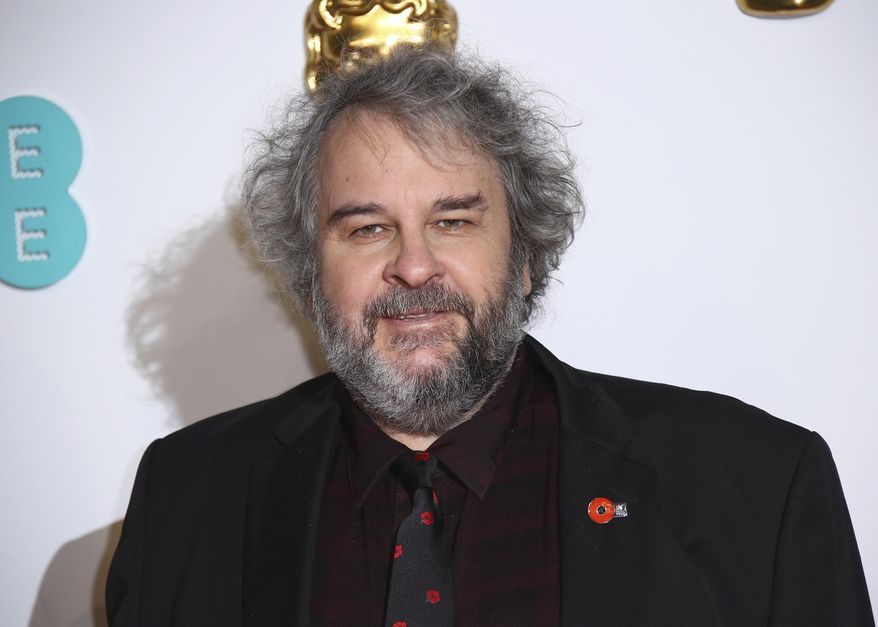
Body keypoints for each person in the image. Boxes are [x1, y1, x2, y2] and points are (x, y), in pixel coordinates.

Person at [106, 45, 874, 626]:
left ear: (528, 253)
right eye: (367, 227)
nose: (412, 265)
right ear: (310, 277)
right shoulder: (186, 496)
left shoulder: (759, 488)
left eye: (453, 221)